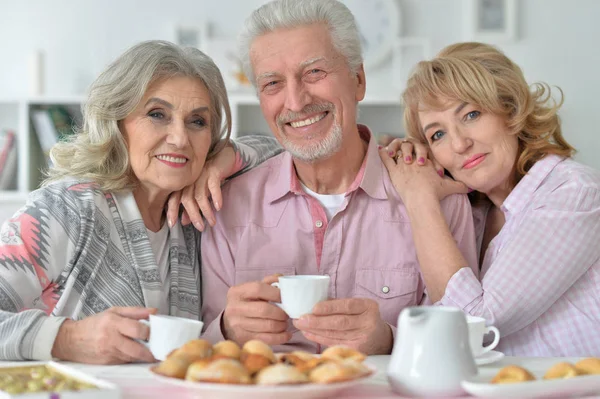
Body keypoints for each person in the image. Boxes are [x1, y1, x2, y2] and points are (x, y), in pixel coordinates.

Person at [198, 0, 479, 355]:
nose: (296, 102)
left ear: (358, 80)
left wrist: (390, 340)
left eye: (314, 72)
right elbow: (201, 350)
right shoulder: (225, 206)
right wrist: (225, 328)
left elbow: (467, 341)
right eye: (272, 83)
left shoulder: (436, 199)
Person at [0, 40, 281, 364]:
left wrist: (223, 161)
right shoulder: (67, 209)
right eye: (157, 114)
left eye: (198, 121)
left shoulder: (192, 215)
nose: (179, 138)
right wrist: (66, 338)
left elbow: (279, 148)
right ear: (117, 122)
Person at [381, 42, 600, 356]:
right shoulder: (473, 215)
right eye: (437, 134)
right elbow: (432, 326)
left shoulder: (574, 193)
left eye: (471, 114)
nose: (459, 143)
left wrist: (419, 199)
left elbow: (473, 325)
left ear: (510, 109)